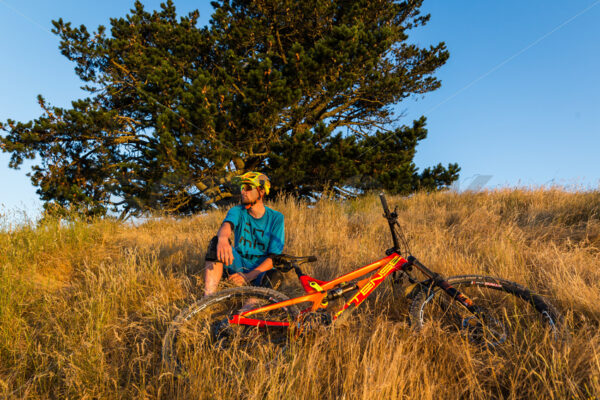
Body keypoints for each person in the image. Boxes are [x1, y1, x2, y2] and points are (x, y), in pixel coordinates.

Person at [203, 172, 284, 296]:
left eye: (247, 188)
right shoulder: (237, 211)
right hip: (238, 264)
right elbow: (227, 225)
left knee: (275, 276)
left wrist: (247, 277)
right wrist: (223, 238)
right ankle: (208, 298)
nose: (242, 192)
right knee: (216, 242)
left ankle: (246, 311)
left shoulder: (276, 218)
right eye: (242, 188)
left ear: (261, 192)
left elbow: (274, 258)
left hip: (259, 270)